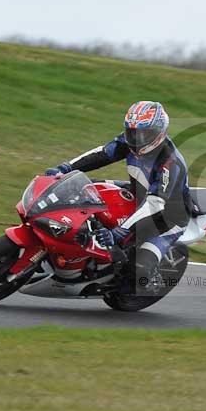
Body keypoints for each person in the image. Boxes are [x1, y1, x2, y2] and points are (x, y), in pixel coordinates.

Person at [45, 101, 190, 294]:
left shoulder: (170, 163)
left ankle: (136, 279)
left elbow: (155, 204)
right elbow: (102, 154)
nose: (136, 138)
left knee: (139, 269)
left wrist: (120, 231)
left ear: (158, 132)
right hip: (137, 194)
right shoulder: (130, 143)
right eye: (131, 132)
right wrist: (65, 168)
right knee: (81, 190)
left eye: (143, 134)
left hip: (167, 216)